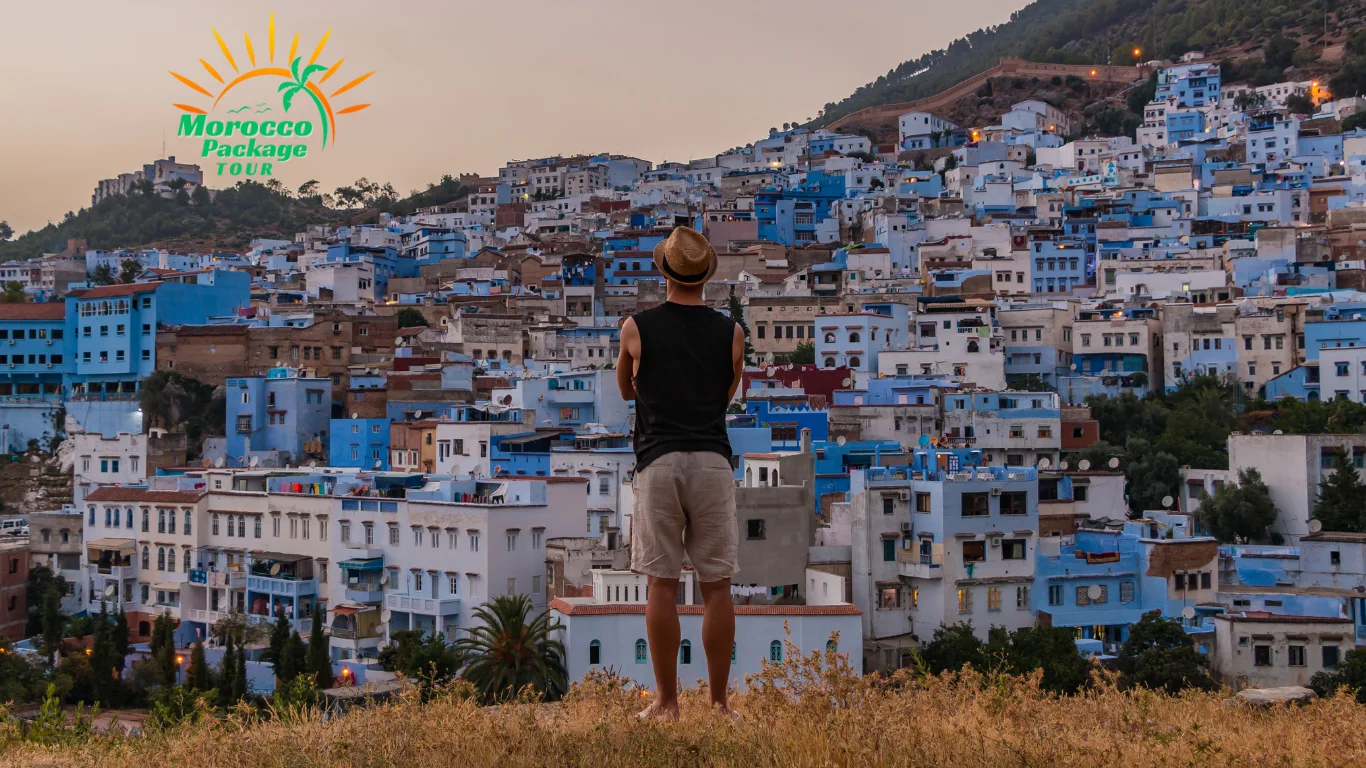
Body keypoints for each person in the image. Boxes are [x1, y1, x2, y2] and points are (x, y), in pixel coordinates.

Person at [616, 226, 745, 720]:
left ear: (664, 271)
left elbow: (625, 389)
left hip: (658, 461)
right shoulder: (732, 333)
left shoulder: (636, 328)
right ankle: (719, 704)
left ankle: (666, 702)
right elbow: (725, 395)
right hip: (712, 461)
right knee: (717, 586)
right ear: (705, 275)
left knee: (661, 584)